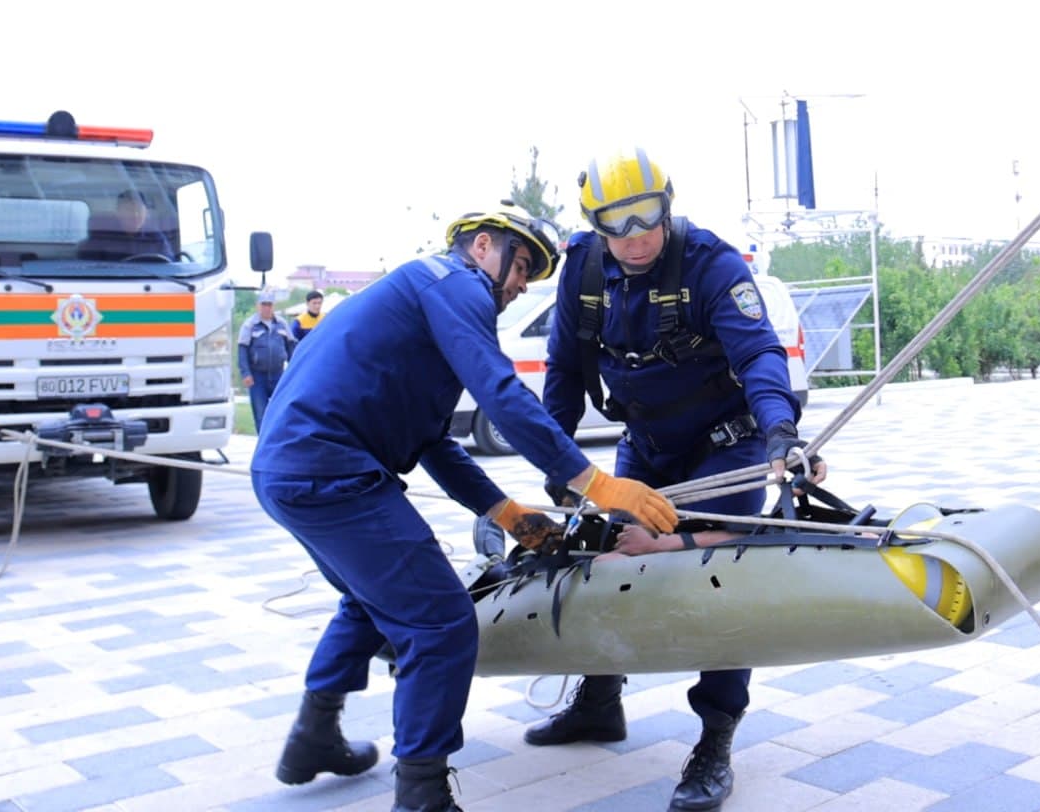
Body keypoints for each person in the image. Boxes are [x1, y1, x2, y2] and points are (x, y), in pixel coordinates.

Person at [252, 206, 678, 812]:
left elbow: (431, 440)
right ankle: (422, 795)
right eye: (521, 265)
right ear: (483, 247)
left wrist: (506, 513)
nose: (519, 285)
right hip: (332, 472)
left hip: (289, 471)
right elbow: (500, 393)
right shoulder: (455, 284)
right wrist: (593, 482)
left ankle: (314, 735)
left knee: (370, 601)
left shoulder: (422, 297)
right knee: (441, 623)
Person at [523, 148, 828, 812]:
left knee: (719, 577)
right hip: (645, 448)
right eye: (616, 225)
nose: (634, 238)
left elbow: (759, 355)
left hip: (727, 446)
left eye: (646, 219)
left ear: (668, 205)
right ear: (596, 226)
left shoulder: (711, 265)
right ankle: (600, 699)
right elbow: (564, 374)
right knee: (602, 556)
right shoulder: (582, 270)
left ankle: (715, 738)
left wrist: (780, 432)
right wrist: (560, 464)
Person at [238, 288, 295, 433]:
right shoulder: (250, 325)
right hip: (257, 377)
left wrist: (293, 370)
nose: (267, 308)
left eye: (269, 304)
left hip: (278, 374)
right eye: (264, 304)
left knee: (281, 411)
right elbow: (242, 350)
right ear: (258, 306)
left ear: (273, 306)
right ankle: (262, 444)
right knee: (260, 413)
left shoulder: (282, 324)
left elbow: (291, 347)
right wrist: (246, 373)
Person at [79, 188, 175, 260]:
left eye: (139, 210)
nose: (135, 215)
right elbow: (87, 269)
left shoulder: (156, 238)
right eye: (129, 210)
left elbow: (169, 264)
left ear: (146, 213)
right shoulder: (102, 237)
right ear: (118, 212)